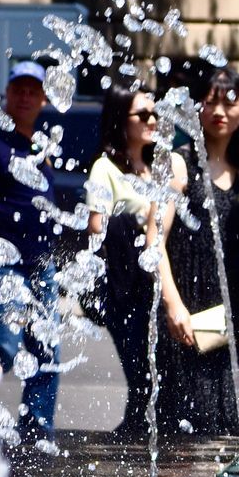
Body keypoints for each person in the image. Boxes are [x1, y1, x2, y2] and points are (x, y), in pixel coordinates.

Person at [156, 68, 239, 439]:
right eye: (210, 101)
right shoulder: (178, 164)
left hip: (233, 319)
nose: (219, 110)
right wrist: (173, 306)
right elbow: (154, 240)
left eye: (230, 101)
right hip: (188, 313)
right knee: (189, 432)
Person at [0, 59, 63, 444]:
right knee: (5, 345)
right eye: (19, 89)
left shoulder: (41, 144)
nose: (25, 97)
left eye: (33, 91)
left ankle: (37, 430)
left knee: (47, 352)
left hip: (42, 262)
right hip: (4, 261)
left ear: (43, 98)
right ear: (6, 94)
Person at [85, 86, 181, 437]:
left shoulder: (157, 167)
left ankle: (153, 436)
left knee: (163, 372)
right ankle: (136, 445)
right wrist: (143, 220)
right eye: (142, 115)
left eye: (154, 114)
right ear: (120, 121)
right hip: (126, 286)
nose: (152, 121)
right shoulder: (104, 168)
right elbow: (96, 225)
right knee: (140, 370)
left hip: (159, 280)